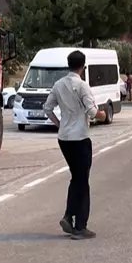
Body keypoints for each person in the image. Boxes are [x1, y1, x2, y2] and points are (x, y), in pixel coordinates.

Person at [43, 50, 101, 240]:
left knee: (76, 178)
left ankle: (69, 216)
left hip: (64, 139)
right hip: (80, 138)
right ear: (83, 66)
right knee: (82, 181)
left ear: (69, 64)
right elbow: (92, 112)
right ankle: (80, 226)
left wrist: (59, 124)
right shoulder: (82, 86)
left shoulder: (58, 85)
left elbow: (47, 108)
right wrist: (103, 114)